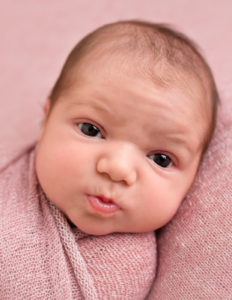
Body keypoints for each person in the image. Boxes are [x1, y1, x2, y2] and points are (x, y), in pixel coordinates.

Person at [0, 20, 219, 299]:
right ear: (47, 119)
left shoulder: (128, 271)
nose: (118, 169)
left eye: (161, 159)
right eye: (91, 130)